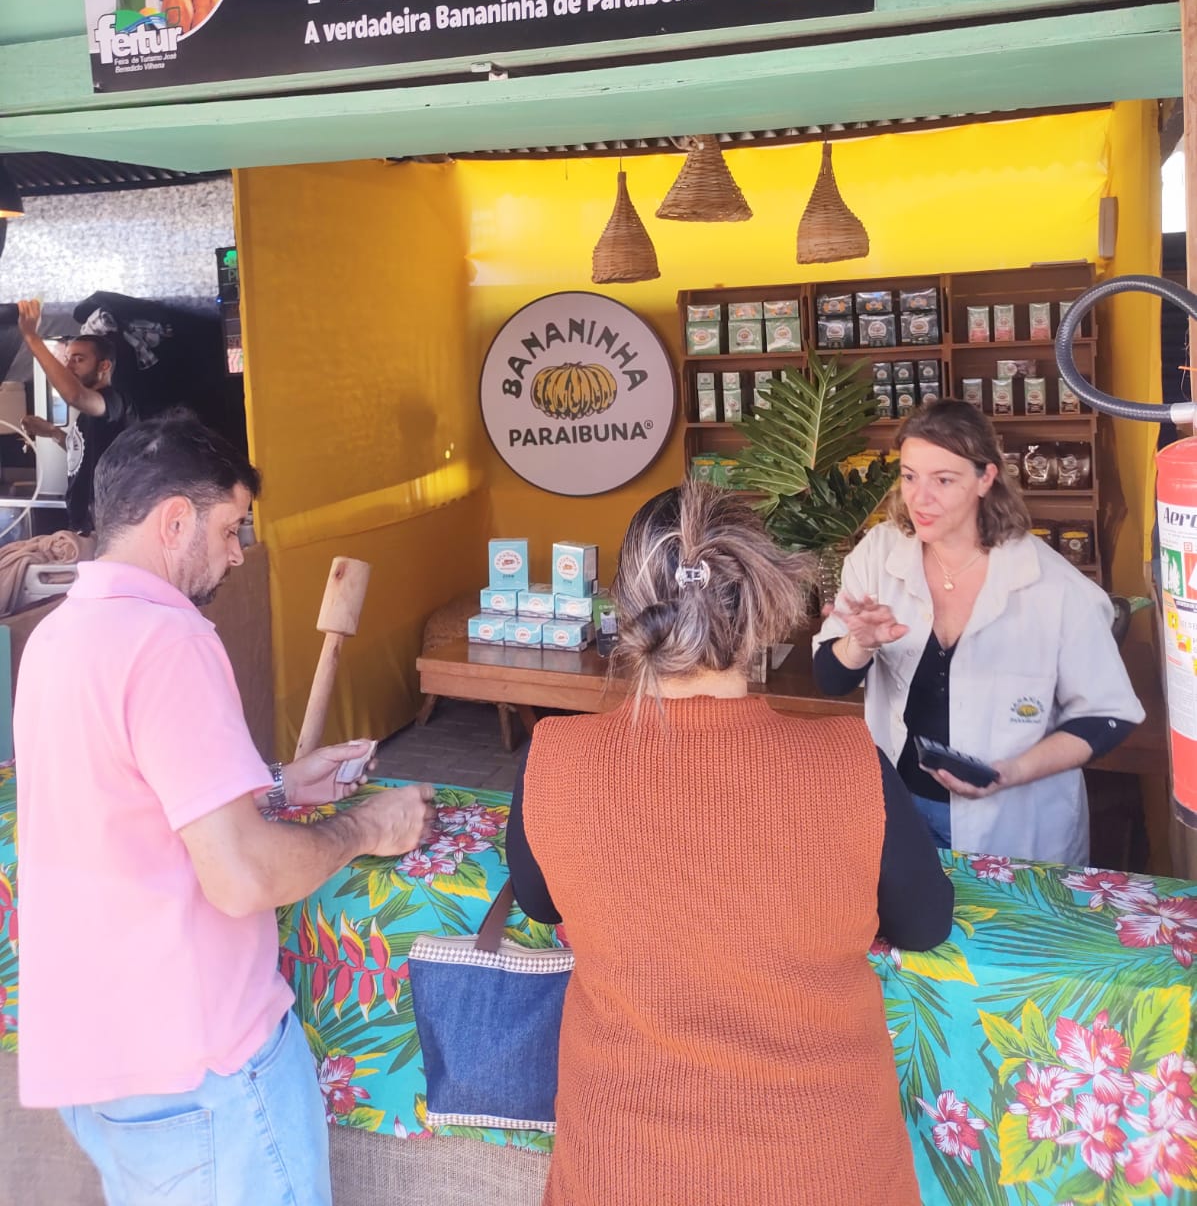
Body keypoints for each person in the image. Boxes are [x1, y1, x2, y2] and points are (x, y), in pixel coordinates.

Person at [13, 410, 435, 1206]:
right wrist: (367, 826)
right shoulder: (167, 641)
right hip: (200, 1064)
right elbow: (242, 876)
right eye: (230, 528)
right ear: (175, 520)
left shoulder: (59, 637)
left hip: (102, 1058)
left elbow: (123, 806)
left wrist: (273, 784)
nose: (238, 551)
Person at [506, 482, 952, 1206]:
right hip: (826, 1174)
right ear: (765, 611)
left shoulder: (554, 757)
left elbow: (538, 901)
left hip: (623, 1174)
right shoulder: (848, 763)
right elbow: (924, 924)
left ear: (625, 612)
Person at [813, 399, 1145, 863]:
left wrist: (1010, 772)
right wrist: (858, 644)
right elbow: (830, 680)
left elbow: (1107, 716)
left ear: (986, 478)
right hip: (902, 811)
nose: (920, 498)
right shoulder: (879, 555)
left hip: (1016, 821)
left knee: (1009, 914)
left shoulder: (1053, 586)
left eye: (943, 480)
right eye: (909, 476)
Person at [17, 298, 133, 534]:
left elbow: (75, 395)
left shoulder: (113, 401)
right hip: (82, 524)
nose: (69, 366)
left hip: (101, 526)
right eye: (68, 359)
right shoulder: (89, 413)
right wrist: (51, 432)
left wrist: (31, 337)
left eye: (79, 359)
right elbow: (81, 451)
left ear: (104, 366)